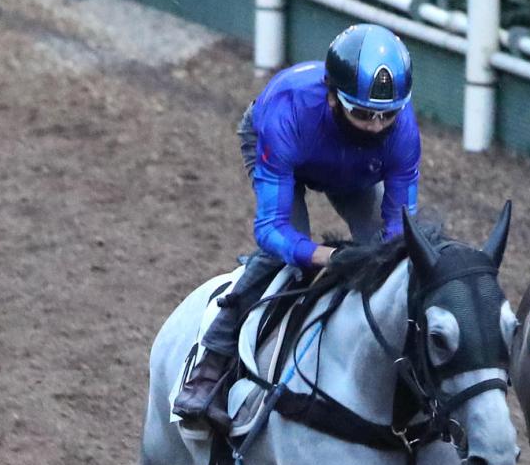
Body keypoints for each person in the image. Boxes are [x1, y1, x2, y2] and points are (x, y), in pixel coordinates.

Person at [173, 23, 421, 428]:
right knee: (284, 259)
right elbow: (271, 230)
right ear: (331, 97)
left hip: (353, 172)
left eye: (386, 116)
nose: (376, 127)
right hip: (283, 145)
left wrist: (383, 257)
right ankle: (210, 365)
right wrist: (325, 256)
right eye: (362, 114)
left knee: (395, 262)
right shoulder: (288, 110)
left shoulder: (404, 133)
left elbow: (398, 230)